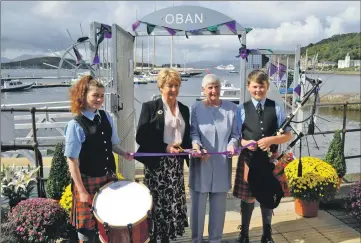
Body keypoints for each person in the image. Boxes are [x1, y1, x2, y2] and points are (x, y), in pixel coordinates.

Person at [64, 75, 133, 243]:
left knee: (110, 224)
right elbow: (72, 160)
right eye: (95, 95)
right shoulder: (76, 125)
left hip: (107, 178)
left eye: (102, 96)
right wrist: (81, 191)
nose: (99, 99)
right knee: (87, 231)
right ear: (83, 95)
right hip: (87, 181)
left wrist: (124, 153)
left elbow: (113, 144)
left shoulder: (106, 117)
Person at [233, 70, 292, 243]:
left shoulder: (276, 107)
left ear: (267, 87)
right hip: (249, 159)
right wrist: (245, 143)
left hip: (269, 159)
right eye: (255, 86)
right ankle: (244, 234)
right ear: (248, 87)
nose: (258, 90)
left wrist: (271, 140)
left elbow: (287, 135)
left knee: (267, 194)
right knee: (248, 198)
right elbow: (237, 137)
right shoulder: (241, 109)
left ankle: (267, 235)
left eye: (262, 86)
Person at [135, 68, 191, 243]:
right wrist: (165, 147)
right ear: (161, 87)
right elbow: (141, 136)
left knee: (173, 203)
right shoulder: (150, 107)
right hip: (157, 164)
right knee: (157, 205)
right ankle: (153, 238)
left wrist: (193, 150)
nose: (173, 89)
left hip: (176, 165)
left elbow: (187, 137)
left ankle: (166, 238)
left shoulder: (184, 108)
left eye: (176, 85)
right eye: (169, 86)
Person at [189, 74, 239, 243]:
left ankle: (215, 240)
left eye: (216, 86)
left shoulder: (232, 109)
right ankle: (196, 240)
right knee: (198, 208)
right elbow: (194, 133)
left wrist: (232, 145)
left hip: (221, 164)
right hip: (201, 163)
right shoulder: (195, 108)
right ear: (203, 90)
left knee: (218, 209)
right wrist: (196, 146)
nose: (213, 90)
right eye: (209, 87)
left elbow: (235, 135)